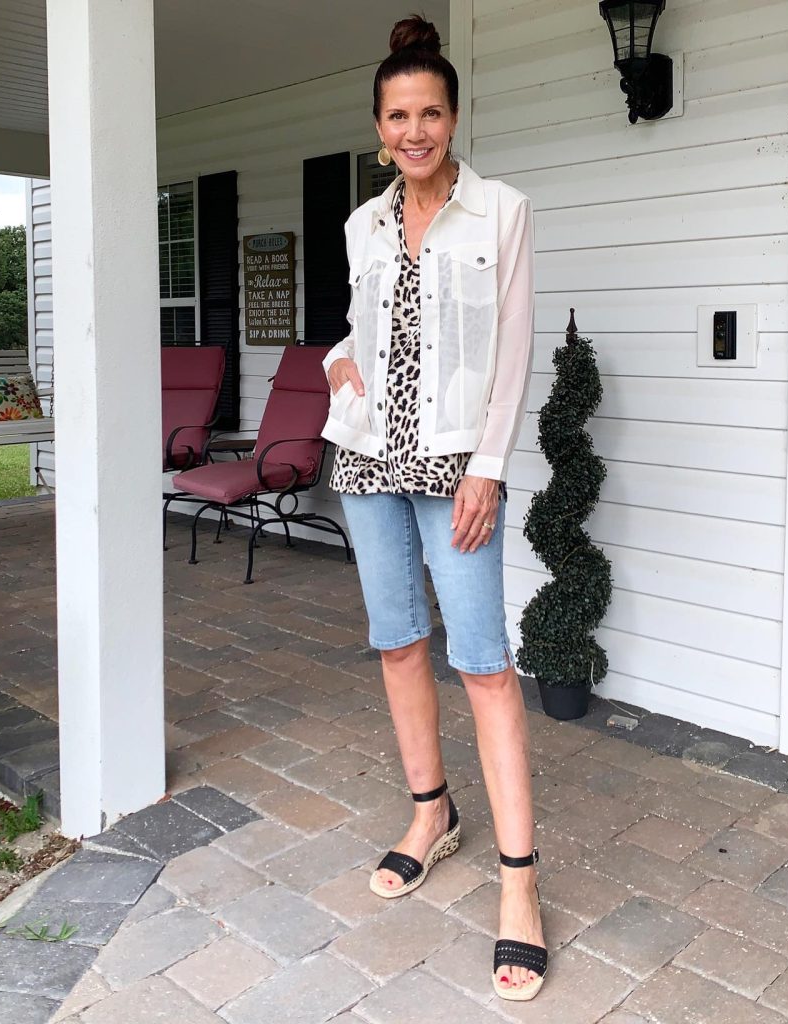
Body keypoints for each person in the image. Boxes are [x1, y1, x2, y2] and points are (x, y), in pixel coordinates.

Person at [320, 15, 544, 1002]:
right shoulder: (362, 225)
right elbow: (353, 332)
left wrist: (488, 467)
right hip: (367, 464)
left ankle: (521, 886)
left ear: (454, 119)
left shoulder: (499, 211)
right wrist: (339, 375)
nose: (417, 130)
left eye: (432, 113)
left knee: (485, 664)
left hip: (457, 470)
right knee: (398, 642)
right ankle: (430, 813)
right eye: (399, 116)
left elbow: (513, 347)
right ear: (379, 127)